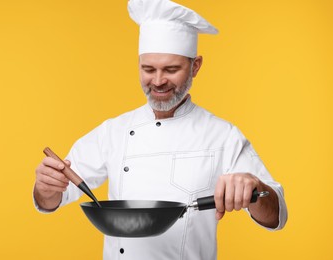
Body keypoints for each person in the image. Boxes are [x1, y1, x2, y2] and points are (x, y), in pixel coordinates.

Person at [33, 0, 288, 259]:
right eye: (148, 69)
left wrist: (253, 187)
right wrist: (46, 189)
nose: (157, 81)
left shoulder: (223, 135)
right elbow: (52, 200)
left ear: (196, 66)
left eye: (171, 69)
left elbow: (276, 215)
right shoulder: (113, 131)